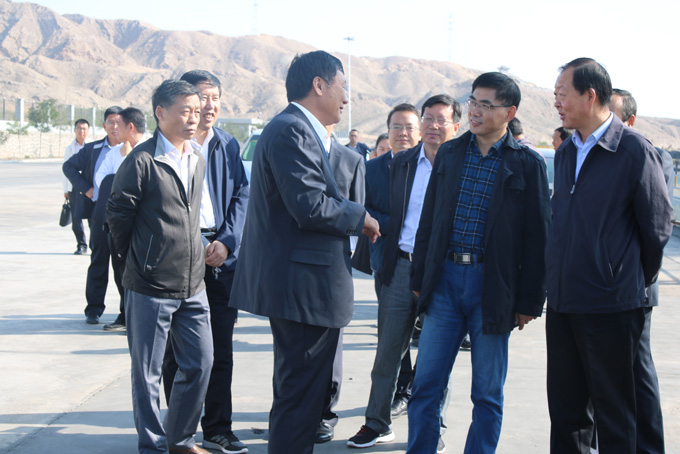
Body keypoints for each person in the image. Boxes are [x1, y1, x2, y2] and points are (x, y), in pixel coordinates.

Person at [228, 50, 380, 454]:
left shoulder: (300, 130)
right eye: (343, 86)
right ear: (319, 85)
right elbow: (310, 206)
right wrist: (361, 216)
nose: (346, 97)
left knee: (304, 398)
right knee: (299, 400)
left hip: (304, 289)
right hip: (302, 291)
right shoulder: (292, 130)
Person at [408, 73, 551, 453]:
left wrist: (529, 300)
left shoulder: (527, 164)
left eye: (486, 105)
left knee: (487, 393)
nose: (475, 111)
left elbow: (539, 238)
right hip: (444, 282)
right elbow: (429, 220)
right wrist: (420, 277)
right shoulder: (451, 153)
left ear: (509, 112)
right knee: (425, 385)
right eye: (473, 101)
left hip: (493, 287)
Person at [546, 58, 672, 454]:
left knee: (614, 413)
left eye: (562, 94)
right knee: (566, 413)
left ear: (590, 95)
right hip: (563, 300)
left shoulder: (634, 150)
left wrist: (624, 278)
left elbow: (656, 228)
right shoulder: (567, 152)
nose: (556, 103)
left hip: (611, 305)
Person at [348, 95, 461, 451]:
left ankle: (432, 428)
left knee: (435, 358)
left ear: (455, 126)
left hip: (442, 272)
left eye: (441, 120)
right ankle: (377, 423)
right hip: (400, 266)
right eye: (428, 118)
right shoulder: (402, 163)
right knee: (388, 352)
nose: (433, 125)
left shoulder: (461, 166)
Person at [107, 79, 213, 454]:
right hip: (151, 285)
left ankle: (180, 439)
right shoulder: (142, 161)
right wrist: (140, 261)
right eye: (185, 111)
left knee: (201, 363)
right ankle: (152, 446)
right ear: (160, 113)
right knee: (148, 375)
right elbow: (118, 218)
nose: (193, 118)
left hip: (193, 284)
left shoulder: (196, 158)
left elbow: (192, 219)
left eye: (196, 111)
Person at [161, 69, 250, 454]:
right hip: (178, 259)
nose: (210, 106)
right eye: (202, 98)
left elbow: (242, 194)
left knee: (220, 351)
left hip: (220, 258)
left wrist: (227, 242)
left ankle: (218, 428)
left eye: (215, 98)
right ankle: (179, 432)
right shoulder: (166, 149)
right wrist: (194, 244)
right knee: (176, 353)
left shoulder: (227, 144)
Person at [601, 87, 671, 454]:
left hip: (635, 287)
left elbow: (655, 226)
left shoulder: (652, 156)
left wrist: (641, 277)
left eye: (610, 114)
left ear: (628, 121)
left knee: (637, 372)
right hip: (602, 289)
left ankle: (649, 446)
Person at [316, 124, 366, 444]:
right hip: (294, 265)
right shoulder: (292, 153)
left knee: (331, 344)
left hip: (335, 263)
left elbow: (358, 211)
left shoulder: (351, 160)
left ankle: (324, 414)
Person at [63, 106, 123, 325]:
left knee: (122, 264)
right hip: (98, 214)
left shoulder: (132, 149)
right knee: (98, 260)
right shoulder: (92, 149)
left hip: (123, 217)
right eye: (110, 122)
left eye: (118, 122)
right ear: (104, 125)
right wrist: (86, 189)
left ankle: (125, 311)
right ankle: (94, 309)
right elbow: (69, 167)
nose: (114, 126)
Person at [95, 107, 146, 332]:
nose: (115, 129)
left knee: (139, 272)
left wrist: (126, 162)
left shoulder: (150, 150)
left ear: (130, 127)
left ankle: (137, 316)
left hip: (142, 225)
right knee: (120, 270)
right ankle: (125, 314)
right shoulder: (115, 152)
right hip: (118, 223)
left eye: (119, 124)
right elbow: (101, 179)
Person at [63, 119, 90, 255]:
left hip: (89, 187)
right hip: (74, 188)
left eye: (84, 129)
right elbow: (65, 169)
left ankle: (95, 245)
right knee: (76, 218)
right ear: (74, 130)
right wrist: (66, 190)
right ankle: (81, 245)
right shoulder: (69, 148)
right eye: (79, 128)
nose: (81, 131)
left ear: (88, 131)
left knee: (93, 218)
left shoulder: (92, 147)